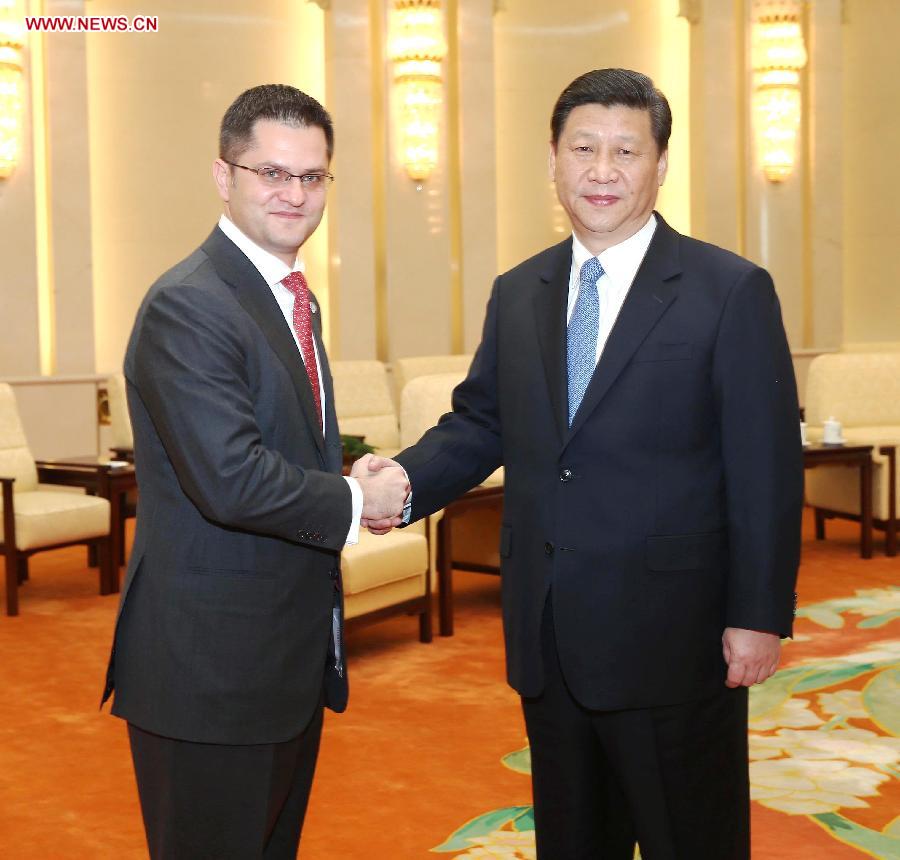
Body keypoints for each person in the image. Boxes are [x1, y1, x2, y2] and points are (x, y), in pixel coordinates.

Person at [357, 68, 803, 859]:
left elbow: (765, 469)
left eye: (626, 151)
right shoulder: (519, 291)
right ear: (554, 162)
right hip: (551, 633)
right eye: (584, 148)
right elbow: (484, 421)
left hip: (676, 638)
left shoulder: (728, 289)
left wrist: (758, 614)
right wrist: (404, 480)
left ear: (661, 166)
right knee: (572, 840)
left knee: (688, 838)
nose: (603, 170)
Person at [101, 84, 409, 860]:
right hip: (210, 677)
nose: (293, 194)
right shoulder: (189, 304)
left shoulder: (286, 296)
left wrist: (348, 474)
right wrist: (353, 498)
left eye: (311, 177)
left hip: (281, 666)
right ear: (223, 175)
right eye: (271, 172)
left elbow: (279, 445)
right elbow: (231, 478)